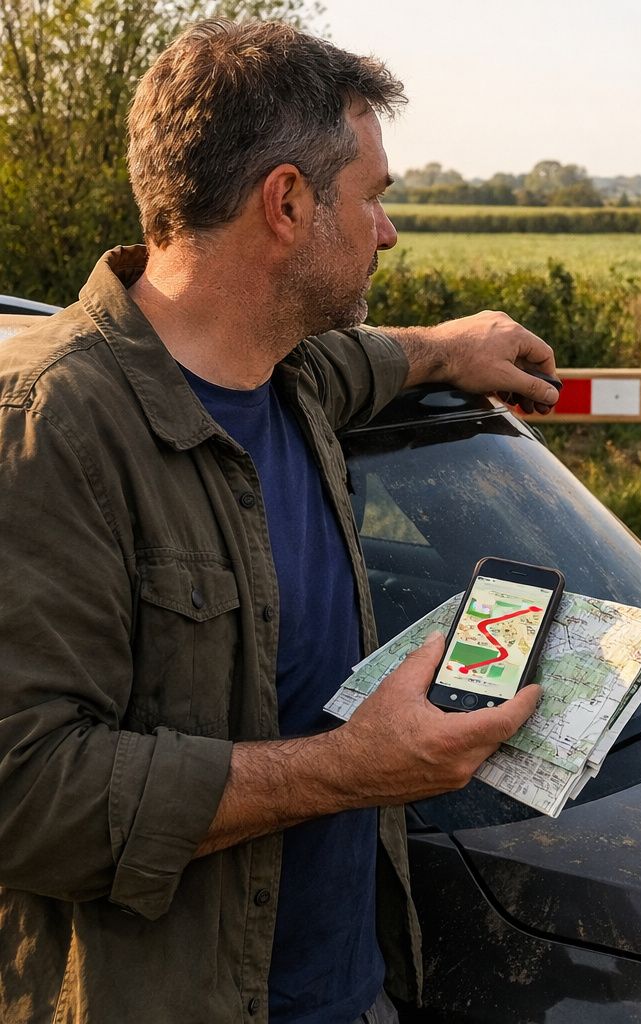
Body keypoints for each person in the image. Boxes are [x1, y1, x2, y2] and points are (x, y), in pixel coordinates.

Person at [0, 20, 561, 1024]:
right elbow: (27, 793)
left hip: (349, 992)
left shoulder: (284, 370)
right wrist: (349, 770)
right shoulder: (53, 430)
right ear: (289, 202)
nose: (388, 231)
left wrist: (446, 346)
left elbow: (364, 363)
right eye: (375, 197)